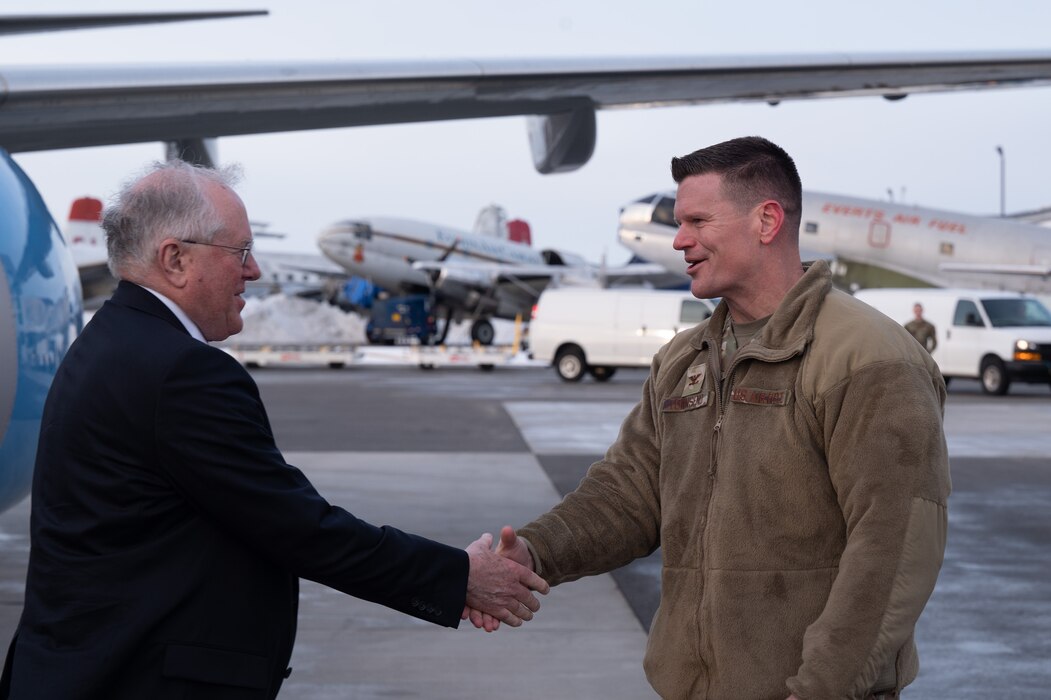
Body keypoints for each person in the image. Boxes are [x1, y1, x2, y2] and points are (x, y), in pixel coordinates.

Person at [0, 160, 548, 700]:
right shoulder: (181, 372)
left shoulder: (109, 344)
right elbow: (300, 528)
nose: (255, 270)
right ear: (175, 260)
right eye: (240, 251)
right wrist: (459, 577)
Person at [486, 137, 951, 699]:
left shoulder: (869, 358)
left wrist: (820, 690)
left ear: (767, 220)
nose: (680, 240)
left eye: (698, 221)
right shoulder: (683, 360)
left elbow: (894, 548)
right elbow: (629, 493)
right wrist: (534, 553)